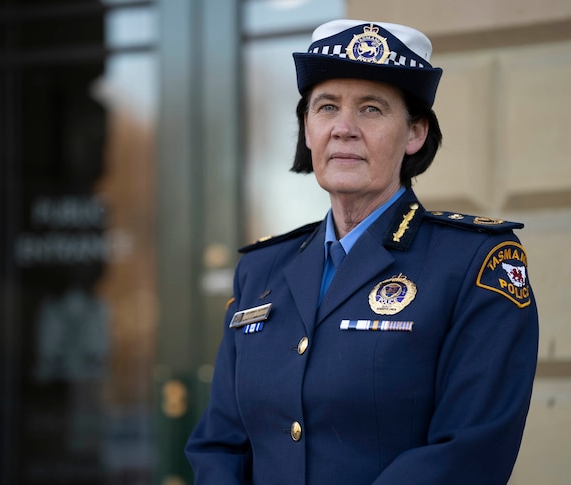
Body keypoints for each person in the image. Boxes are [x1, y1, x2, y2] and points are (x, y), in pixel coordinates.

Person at [185, 19, 539, 485]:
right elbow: (219, 444)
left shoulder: (475, 263)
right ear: (308, 130)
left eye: (371, 110)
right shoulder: (261, 269)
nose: (344, 129)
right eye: (326, 107)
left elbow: (468, 452)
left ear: (414, 133)